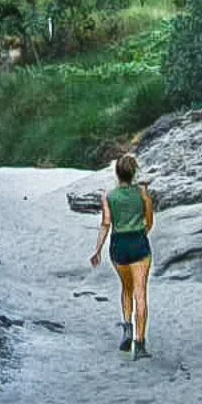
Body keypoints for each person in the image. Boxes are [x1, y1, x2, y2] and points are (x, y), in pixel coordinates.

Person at [89, 150, 155, 357]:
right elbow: (150, 221)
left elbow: (106, 223)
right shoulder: (142, 194)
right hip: (138, 244)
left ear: (117, 174)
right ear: (133, 173)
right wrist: (141, 233)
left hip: (118, 247)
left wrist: (97, 250)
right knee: (140, 294)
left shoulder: (108, 196)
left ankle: (127, 326)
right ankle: (140, 345)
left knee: (126, 288)